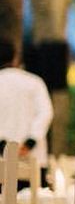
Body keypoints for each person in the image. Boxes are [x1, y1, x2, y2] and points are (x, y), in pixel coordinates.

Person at [0, 39, 54, 171]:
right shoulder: (34, 82)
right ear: (15, 57)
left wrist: (3, 145)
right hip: (34, 160)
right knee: (36, 192)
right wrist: (30, 142)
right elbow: (46, 112)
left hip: (1, 160)